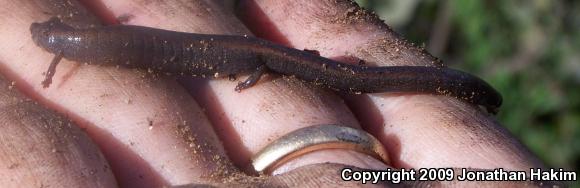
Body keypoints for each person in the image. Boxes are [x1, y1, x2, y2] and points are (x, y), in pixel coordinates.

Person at [0, 0, 550, 187]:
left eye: (49, 37)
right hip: (249, 59)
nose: (49, 39)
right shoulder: (78, 48)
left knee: (347, 76)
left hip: (254, 59)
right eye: (50, 40)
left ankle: (467, 88)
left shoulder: (73, 51)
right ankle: (466, 88)